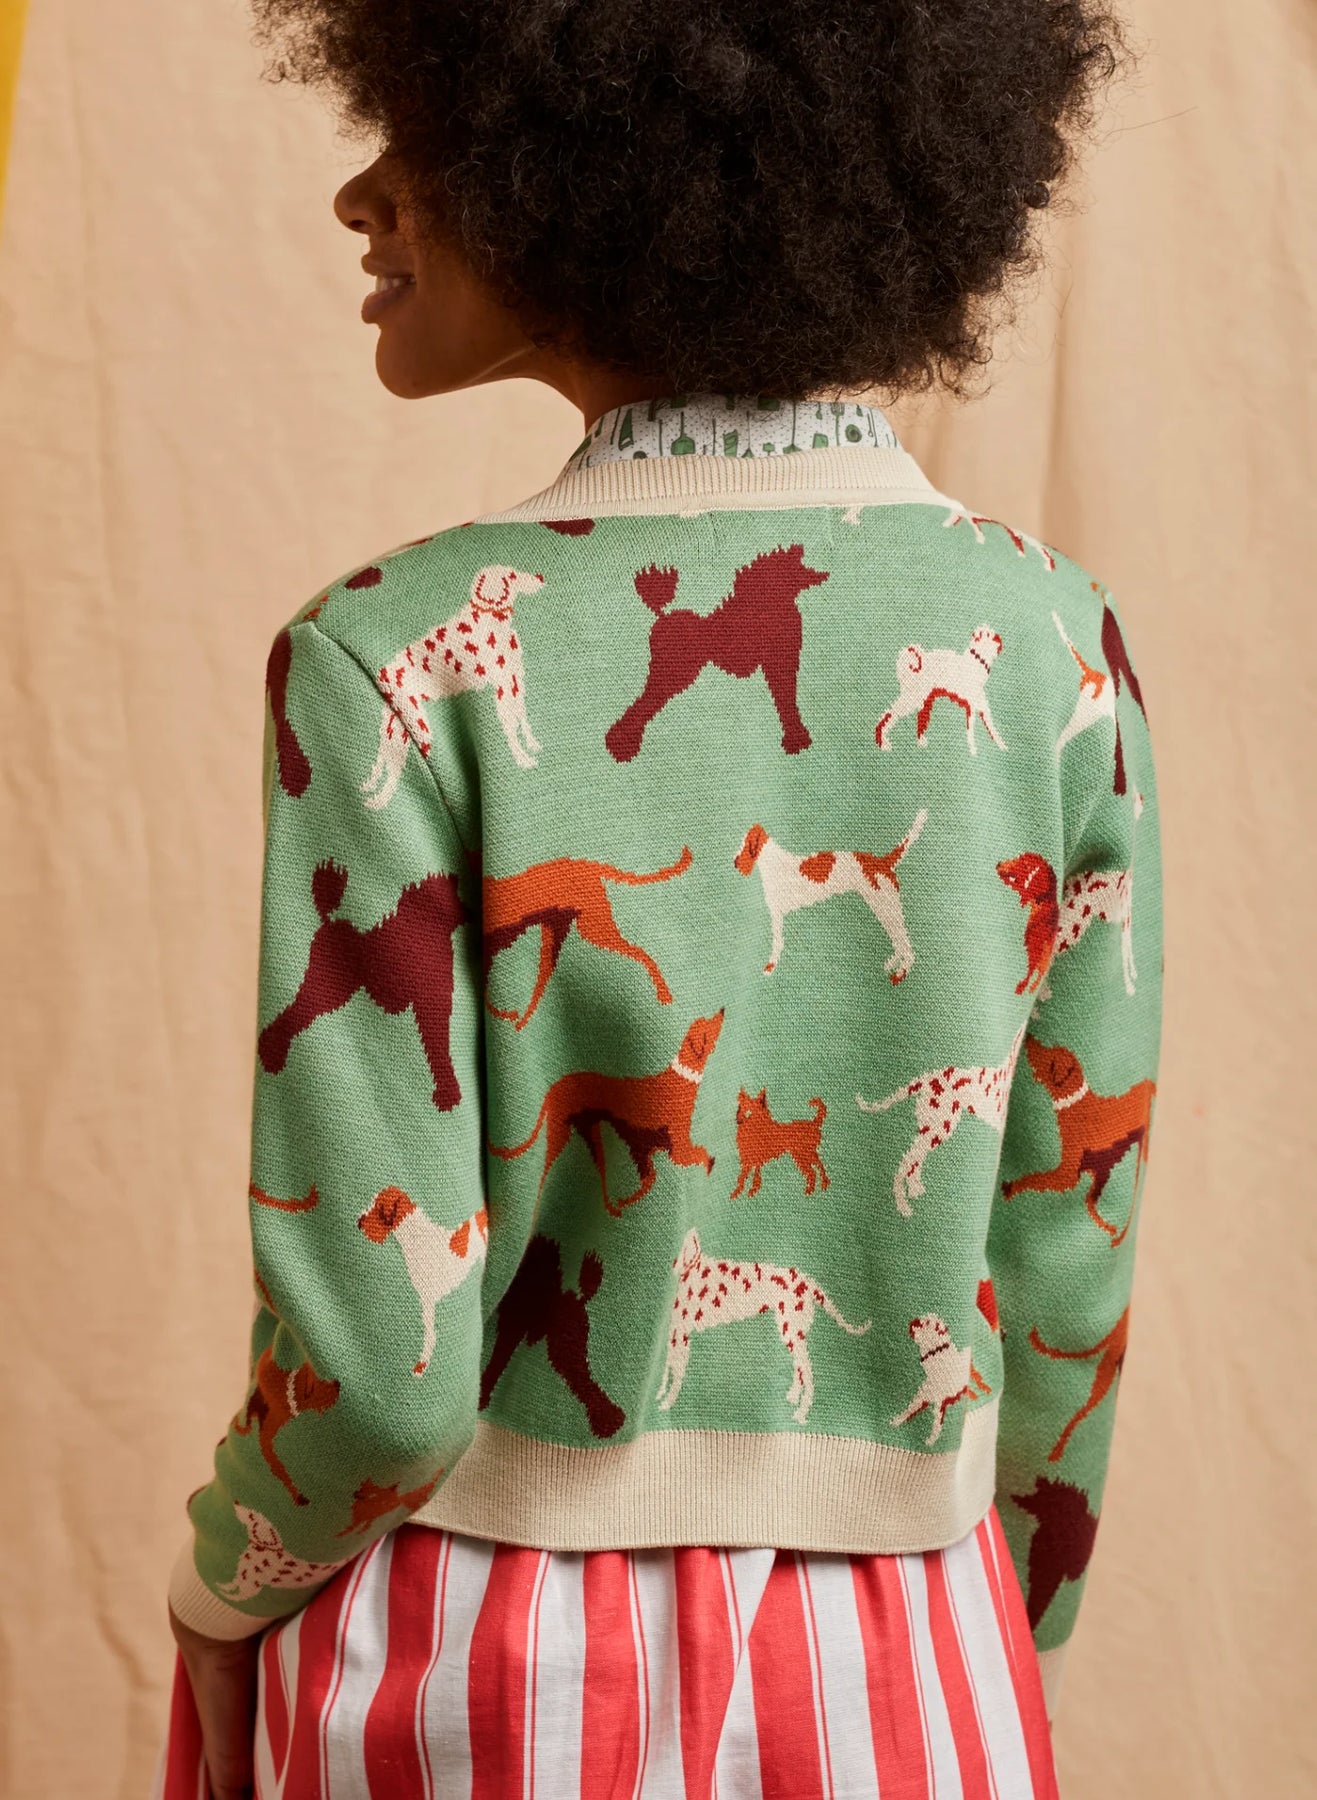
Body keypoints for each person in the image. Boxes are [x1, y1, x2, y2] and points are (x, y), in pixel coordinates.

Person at [156, 3, 1159, 1796]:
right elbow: (1062, 1259)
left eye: (420, 136)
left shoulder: (390, 661)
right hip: (913, 1648)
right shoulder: (1051, 648)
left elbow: (383, 1373)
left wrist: (220, 1586)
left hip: (470, 1664)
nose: (359, 198)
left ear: (582, 163)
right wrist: (1006, 1640)